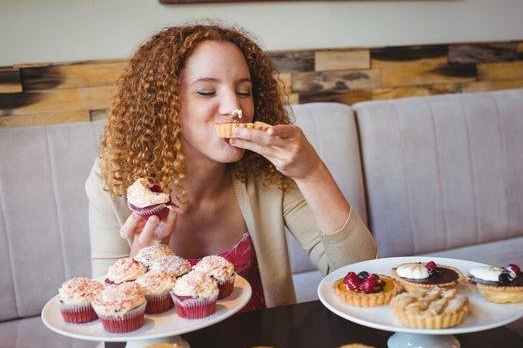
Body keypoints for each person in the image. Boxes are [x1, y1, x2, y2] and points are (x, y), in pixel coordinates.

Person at [85, 23, 378, 310]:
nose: (234, 108)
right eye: (207, 92)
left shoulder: (267, 169)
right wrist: (142, 263)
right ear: (164, 106)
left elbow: (361, 272)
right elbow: (109, 319)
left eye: (244, 91)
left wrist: (311, 172)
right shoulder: (115, 178)